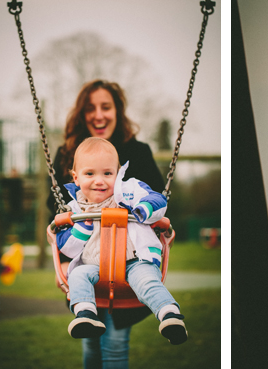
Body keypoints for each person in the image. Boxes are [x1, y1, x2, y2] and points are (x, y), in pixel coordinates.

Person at [49, 79, 168, 368]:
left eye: (106, 106)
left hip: (129, 261)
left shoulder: (137, 153)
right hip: (84, 258)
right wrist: (62, 261)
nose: (99, 114)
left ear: (118, 111)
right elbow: (54, 211)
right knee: (90, 343)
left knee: (115, 343)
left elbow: (157, 200)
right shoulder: (67, 153)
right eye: (91, 108)